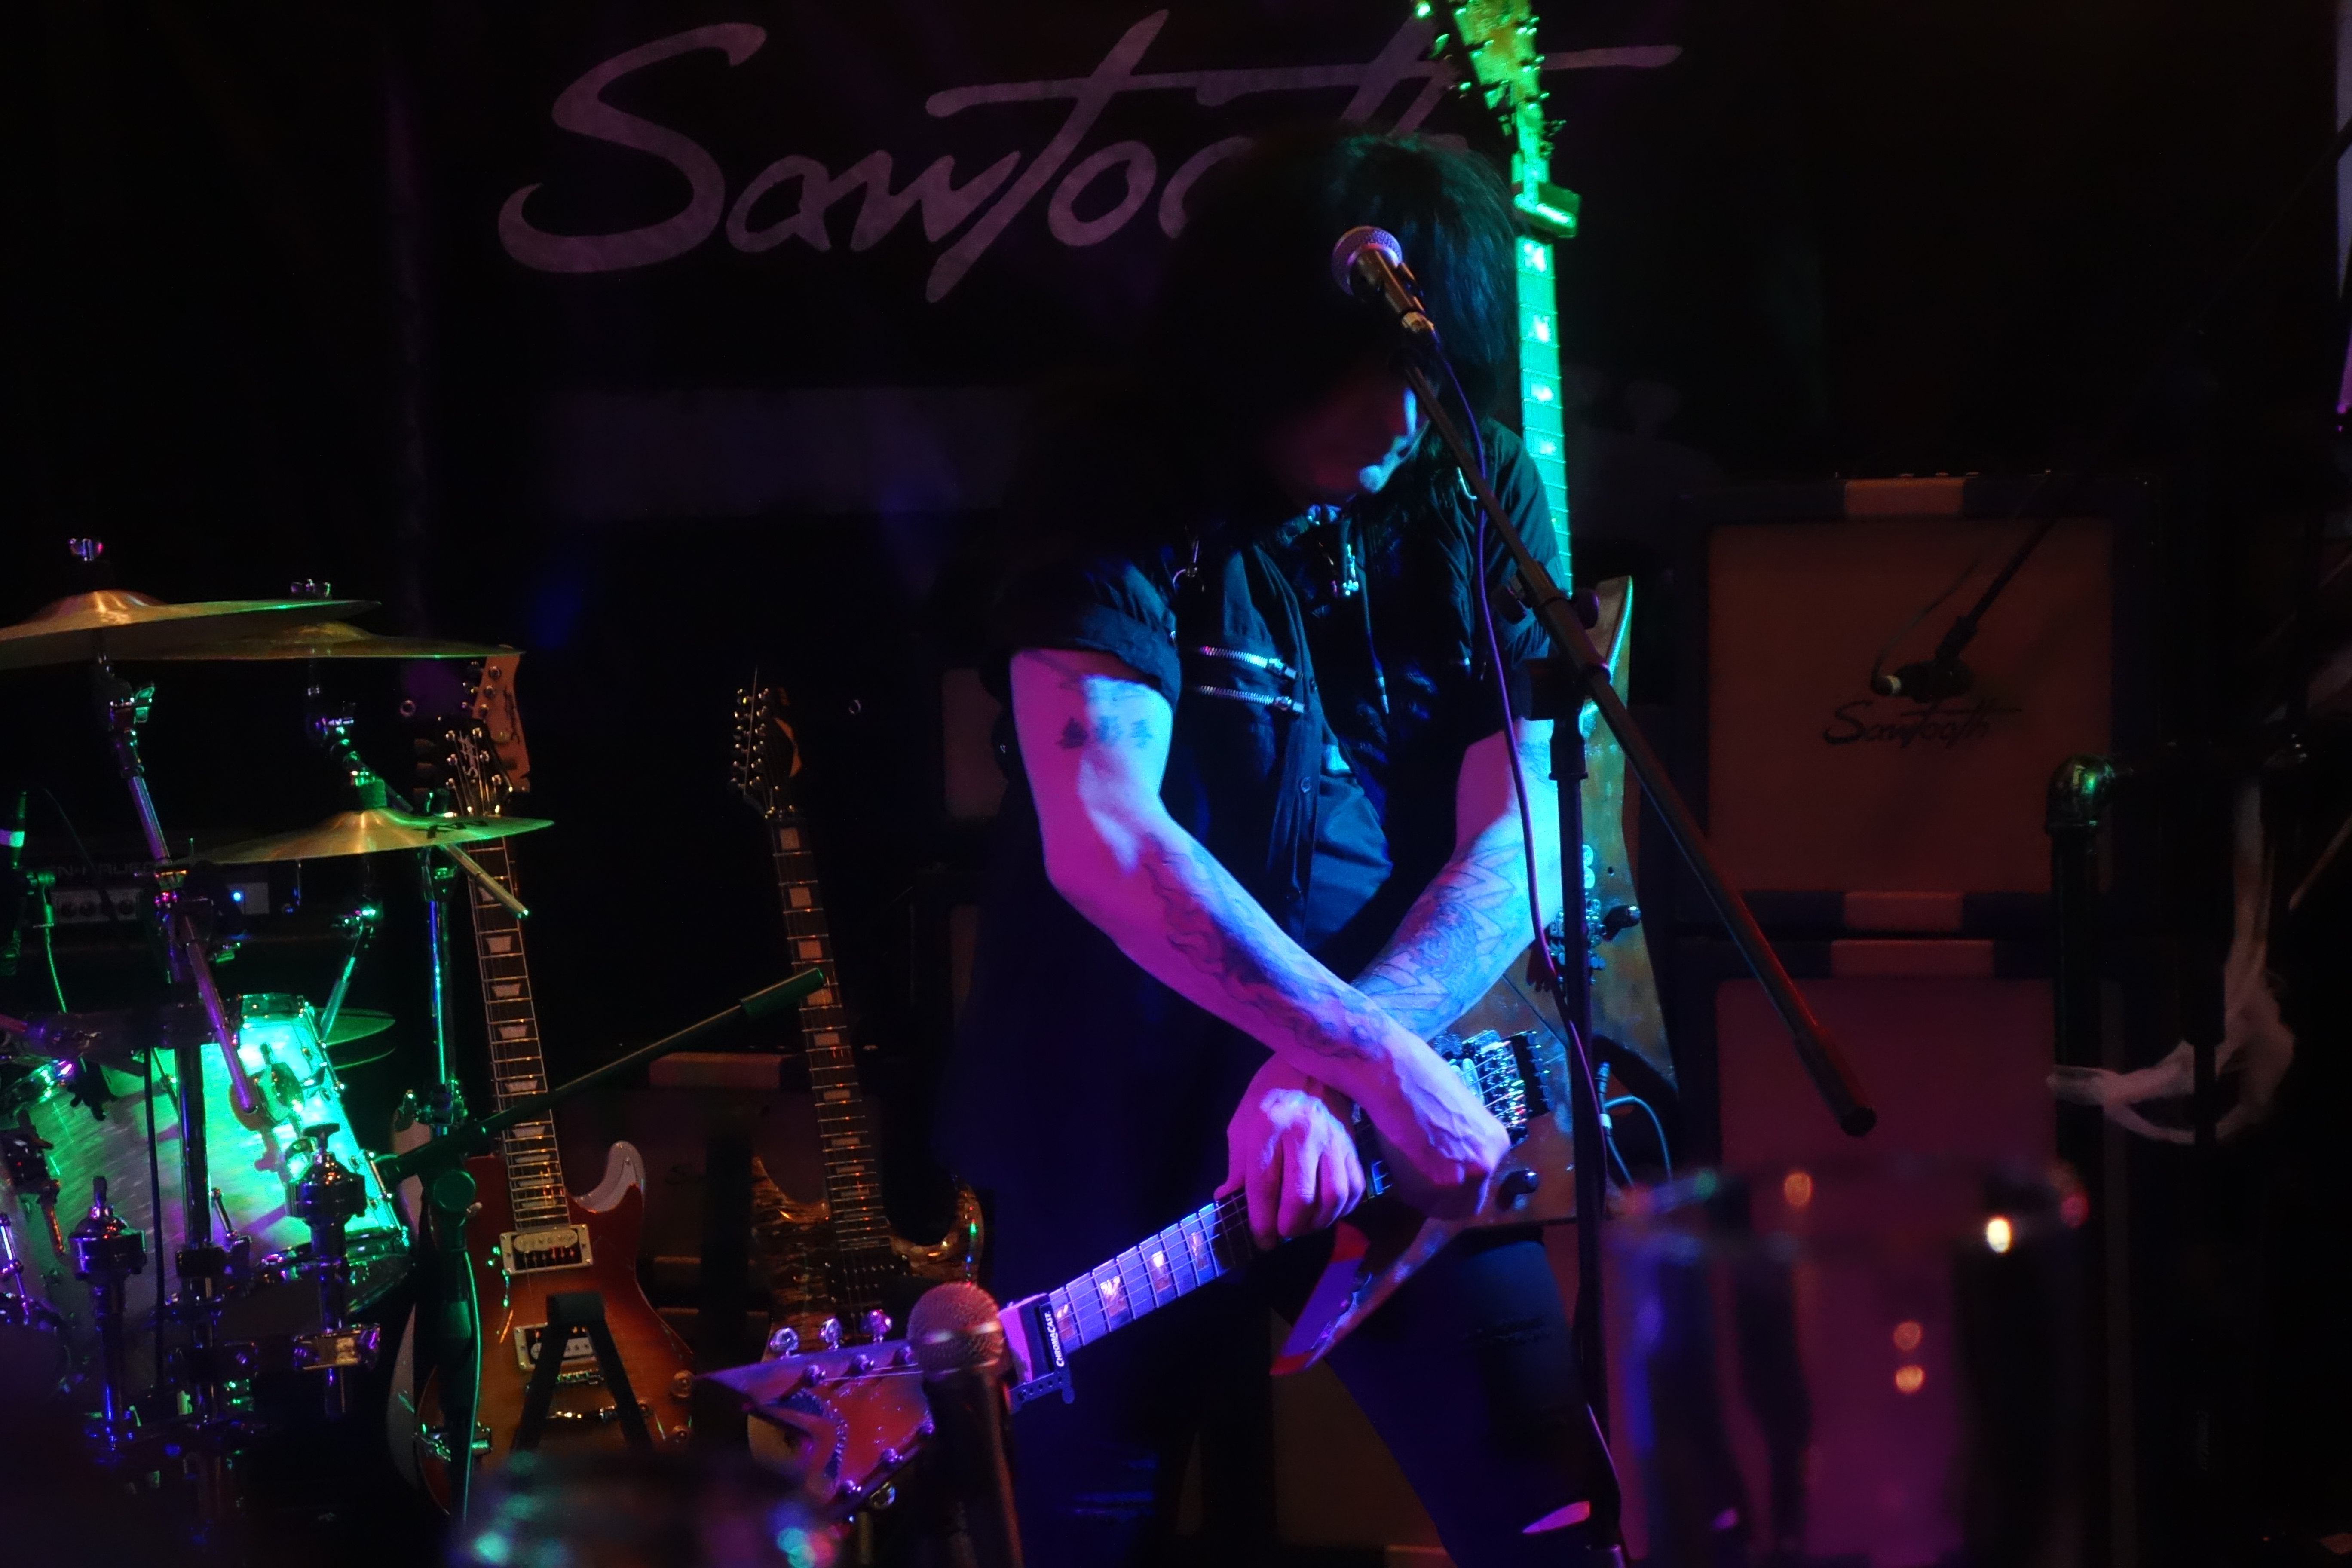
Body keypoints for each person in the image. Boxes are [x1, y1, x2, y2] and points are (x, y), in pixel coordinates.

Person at [938, 126, 1617, 1567]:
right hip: (1113, 1113)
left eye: (1431, 380)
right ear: (1268, 348)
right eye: (1373, 377)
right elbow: (1104, 830)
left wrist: (1338, 1068)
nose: (1406, 421)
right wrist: (1364, 1058)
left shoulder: (1478, 484)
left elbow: (1524, 826)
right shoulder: (1116, 475)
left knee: (1559, 1524)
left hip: (1384, 1101)